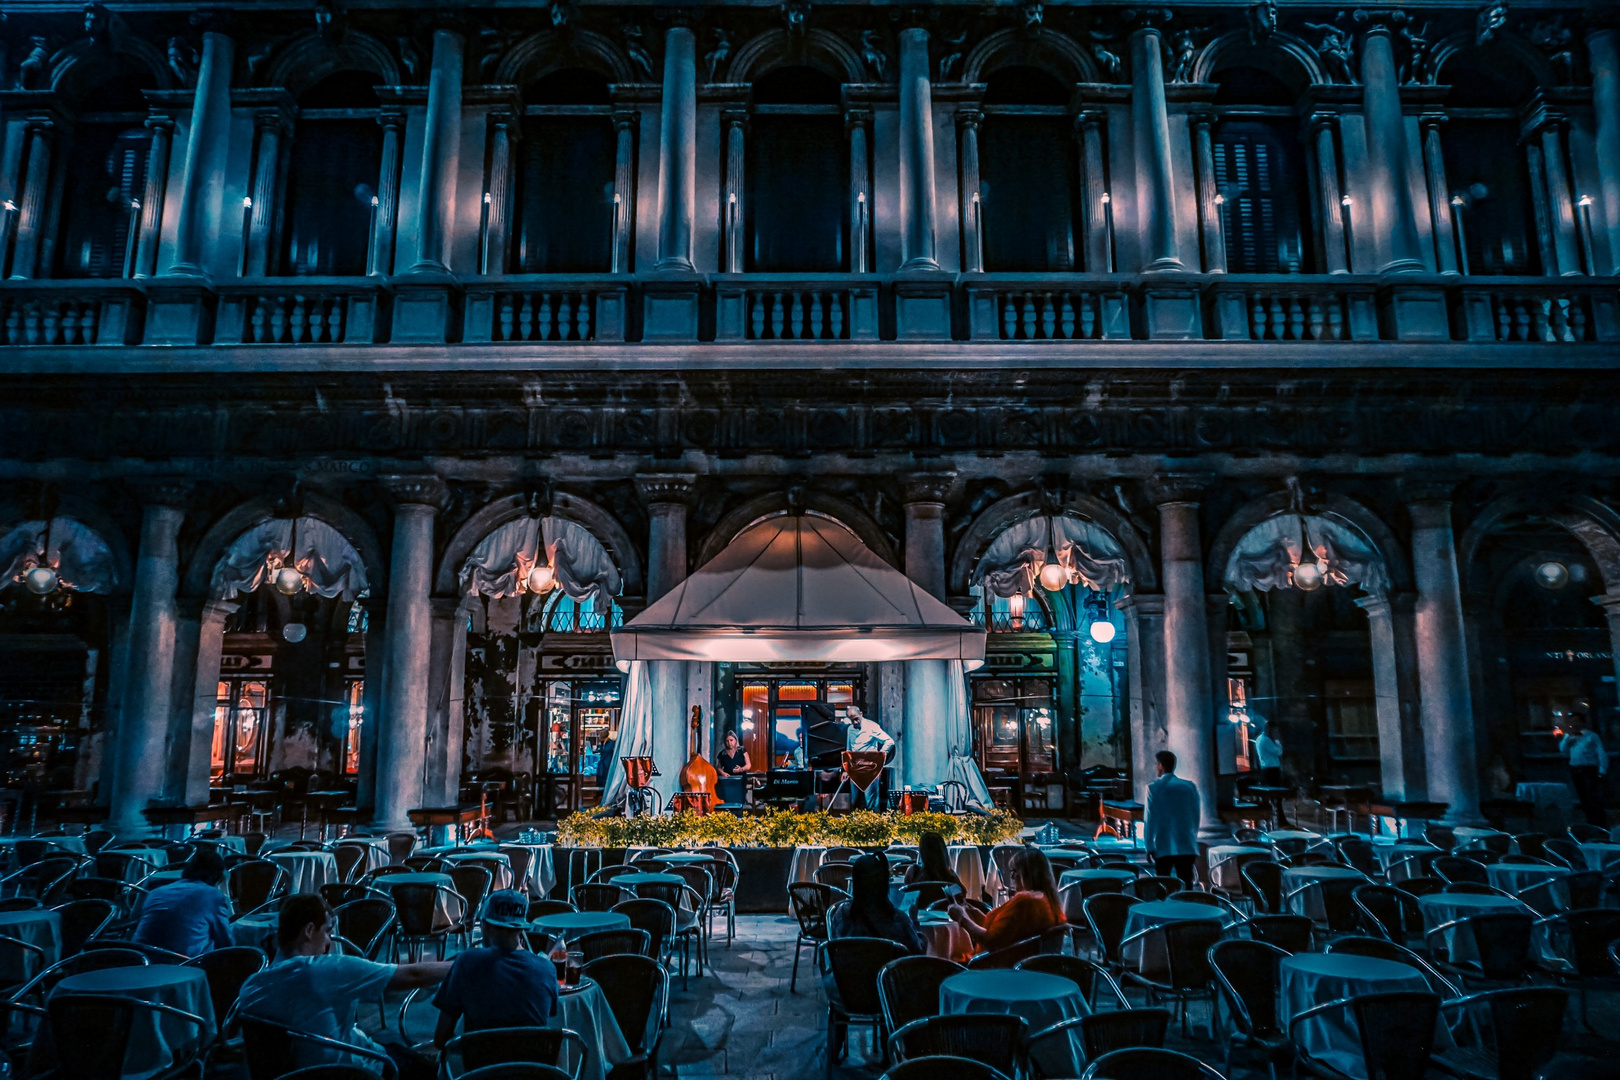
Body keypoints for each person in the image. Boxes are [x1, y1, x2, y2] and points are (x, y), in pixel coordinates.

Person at [238, 894, 451, 1079]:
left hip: (295, 1073)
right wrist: (463, 964)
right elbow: (412, 974)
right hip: (350, 1070)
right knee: (431, 1069)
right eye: (328, 930)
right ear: (310, 930)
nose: (330, 941)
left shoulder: (250, 986)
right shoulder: (321, 971)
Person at [433, 889, 558, 1045]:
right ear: (521, 929)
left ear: (485, 925)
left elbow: (440, 1039)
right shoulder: (547, 968)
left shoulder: (466, 961)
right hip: (531, 1066)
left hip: (479, 1066)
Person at [947, 847, 1062, 953]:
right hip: (1016, 961)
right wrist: (970, 911)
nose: (1011, 876)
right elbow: (1004, 931)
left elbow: (990, 941)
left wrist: (962, 918)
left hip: (992, 965)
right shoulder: (1044, 899)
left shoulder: (1025, 903)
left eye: (1014, 871)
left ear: (1026, 875)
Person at [132, 846, 233, 958]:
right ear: (217, 876)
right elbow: (226, 942)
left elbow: (136, 922)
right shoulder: (214, 896)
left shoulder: (155, 892)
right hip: (183, 963)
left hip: (142, 957)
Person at [828, 854, 922, 954]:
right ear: (885, 882)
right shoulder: (899, 920)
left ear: (855, 881)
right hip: (889, 969)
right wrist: (915, 922)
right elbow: (916, 955)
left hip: (851, 969)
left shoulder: (841, 916)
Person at [1145, 749, 1201, 887]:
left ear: (1160, 765)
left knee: (1163, 884)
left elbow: (1150, 818)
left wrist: (1149, 846)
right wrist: (1193, 834)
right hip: (1186, 841)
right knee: (1187, 881)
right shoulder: (1189, 787)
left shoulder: (1154, 788)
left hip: (1163, 843)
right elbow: (1196, 814)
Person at [1561, 713, 1609, 826]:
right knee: (1582, 796)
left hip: (1588, 769)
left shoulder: (1592, 736)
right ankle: (1589, 821)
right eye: (1572, 721)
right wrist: (1566, 741)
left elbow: (1601, 752)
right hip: (1575, 768)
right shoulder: (1569, 736)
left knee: (1593, 797)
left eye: (1576, 721)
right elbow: (1564, 751)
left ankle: (1600, 823)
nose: (1574, 724)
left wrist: (1602, 769)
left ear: (1582, 722)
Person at [844, 706, 895, 810]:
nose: (855, 722)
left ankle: (874, 824)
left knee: (871, 801)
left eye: (856, 719)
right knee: (855, 801)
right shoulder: (850, 729)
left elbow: (889, 741)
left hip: (870, 769)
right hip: (854, 769)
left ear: (861, 714)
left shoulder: (872, 726)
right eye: (852, 720)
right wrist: (846, 769)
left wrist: (879, 757)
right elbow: (848, 750)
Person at [1253, 722, 1284, 788]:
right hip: (1272, 769)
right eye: (1275, 730)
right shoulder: (1266, 740)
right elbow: (1279, 752)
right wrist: (1277, 740)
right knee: (1275, 788)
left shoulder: (1259, 738)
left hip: (1265, 767)